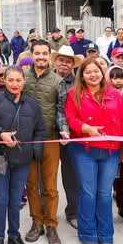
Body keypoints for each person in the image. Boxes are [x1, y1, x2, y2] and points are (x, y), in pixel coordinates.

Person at [64, 57, 123, 244]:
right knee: (88, 193)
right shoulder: (75, 94)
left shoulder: (115, 95)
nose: (93, 75)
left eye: (96, 71)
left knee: (104, 194)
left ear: (102, 72)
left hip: (111, 152)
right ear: (82, 75)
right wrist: (85, 127)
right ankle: (87, 234)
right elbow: (70, 118)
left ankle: (106, 235)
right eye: (88, 72)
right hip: (84, 150)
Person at [0, 66, 44, 244]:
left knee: (15, 200)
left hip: (23, 160)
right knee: (1, 200)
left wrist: (35, 152)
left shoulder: (32, 104)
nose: (15, 84)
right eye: (10, 80)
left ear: (24, 81)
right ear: (4, 82)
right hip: (0, 158)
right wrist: (0, 135)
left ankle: (14, 236)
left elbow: (40, 130)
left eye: (18, 80)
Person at [21, 41, 67, 244]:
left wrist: (64, 129)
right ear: (32, 54)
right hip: (27, 140)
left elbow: (61, 110)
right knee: (31, 184)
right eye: (37, 53)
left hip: (50, 139)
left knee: (49, 186)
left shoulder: (58, 81)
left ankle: (51, 224)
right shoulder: (24, 78)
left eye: (44, 53)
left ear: (50, 56)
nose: (40, 57)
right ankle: (36, 222)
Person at [52, 46, 80, 228]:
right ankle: (46, 215)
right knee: (46, 177)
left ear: (72, 65)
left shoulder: (78, 83)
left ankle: (73, 212)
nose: (64, 64)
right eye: (61, 60)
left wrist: (66, 129)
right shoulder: (46, 79)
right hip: (46, 134)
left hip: (70, 135)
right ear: (55, 62)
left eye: (68, 61)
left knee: (71, 175)